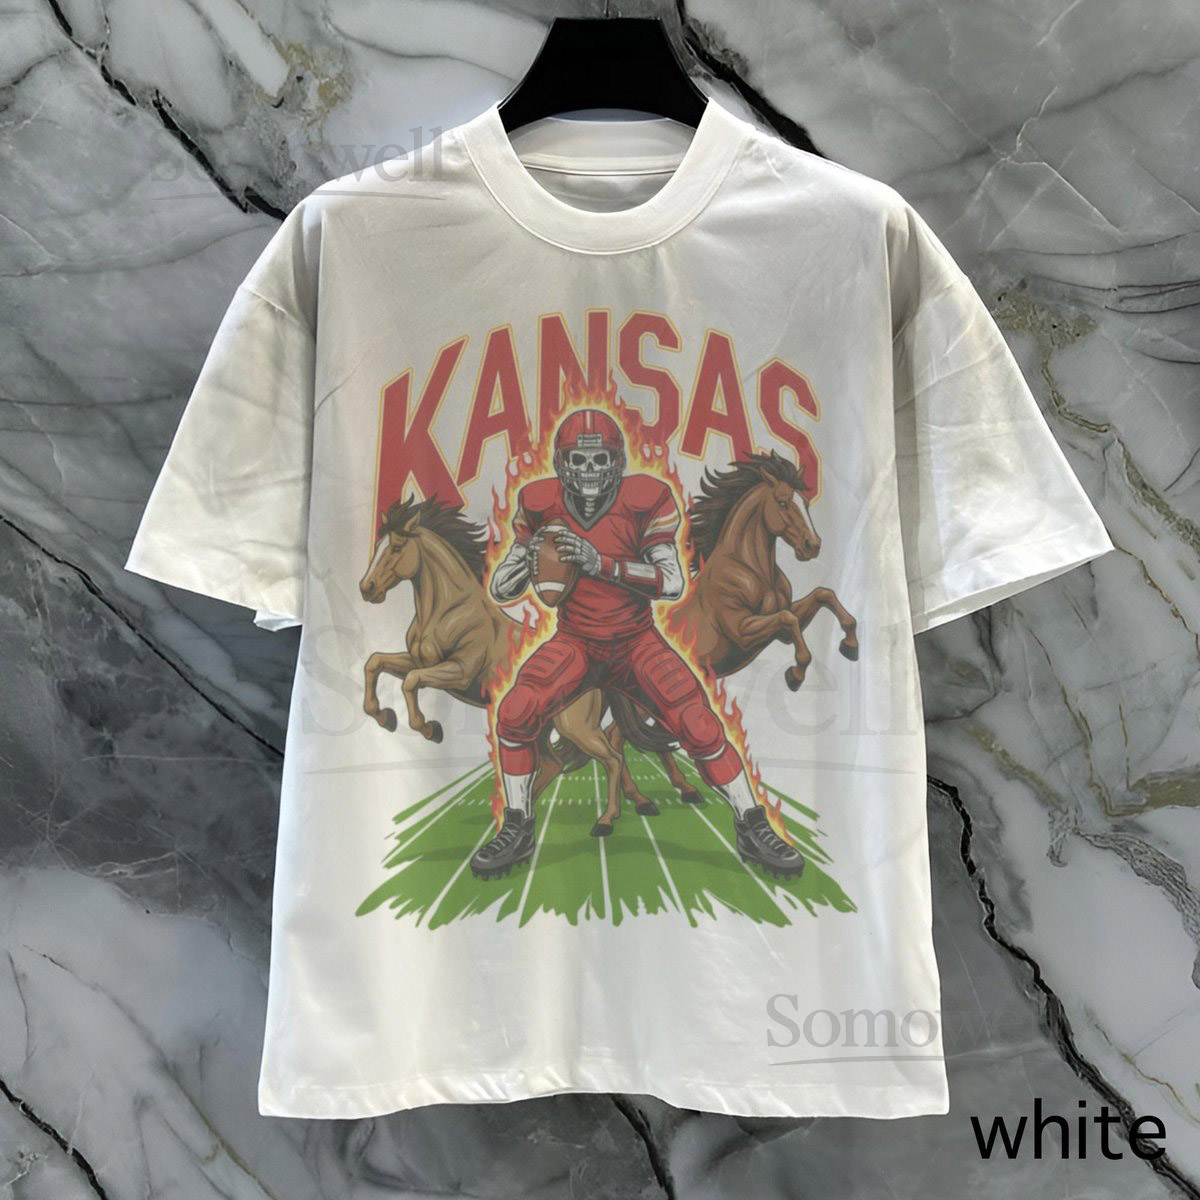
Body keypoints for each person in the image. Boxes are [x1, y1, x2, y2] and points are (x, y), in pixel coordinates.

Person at [472, 407, 804, 880]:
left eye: (600, 460)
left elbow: (672, 582)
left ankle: (752, 824)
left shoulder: (645, 498)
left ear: (618, 462)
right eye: (579, 461)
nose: (590, 471)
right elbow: (501, 589)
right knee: (515, 710)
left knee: (698, 721)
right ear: (561, 463)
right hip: (577, 641)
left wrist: (600, 563)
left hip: (634, 641)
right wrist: (528, 556)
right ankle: (517, 824)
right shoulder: (539, 502)